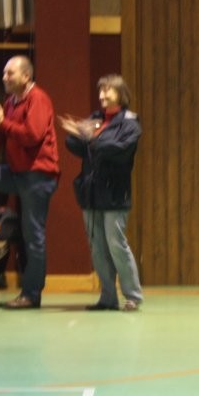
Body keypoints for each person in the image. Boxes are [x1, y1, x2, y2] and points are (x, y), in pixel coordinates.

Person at [0, 56, 59, 310]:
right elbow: (2, 144)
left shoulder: (38, 98)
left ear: (26, 76)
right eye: (4, 73)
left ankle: (31, 295)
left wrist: (2, 122)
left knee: (33, 236)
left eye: (10, 73)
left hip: (38, 175)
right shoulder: (10, 101)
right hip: (18, 173)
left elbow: (32, 135)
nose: (5, 77)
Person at [61, 74, 143, 312]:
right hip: (91, 193)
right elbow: (74, 144)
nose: (102, 95)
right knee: (97, 247)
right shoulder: (96, 119)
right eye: (100, 91)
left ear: (121, 94)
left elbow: (119, 149)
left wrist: (90, 138)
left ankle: (133, 296)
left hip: (115, 194)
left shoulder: (130, 123)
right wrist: (80, 135)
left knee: (116, 244)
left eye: (107, 90)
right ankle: (107, 297)